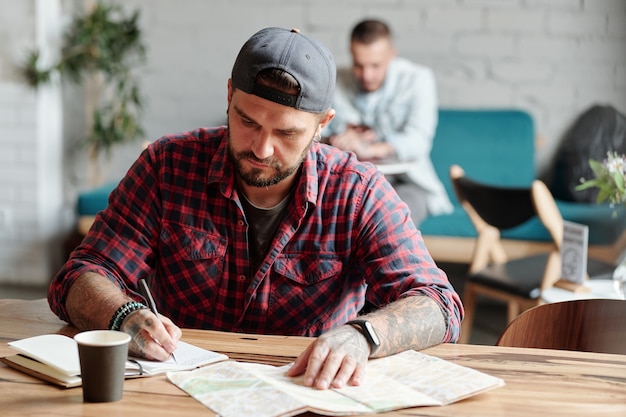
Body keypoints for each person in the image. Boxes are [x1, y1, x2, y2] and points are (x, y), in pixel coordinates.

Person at [48, 27, 463, 391]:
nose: (261, 149)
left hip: (306, 392)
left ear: (322, 125)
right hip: (180, 389)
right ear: (229, 95)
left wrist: (363, 335)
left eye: (286, 132)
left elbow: (439, 304)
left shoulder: (358, 192)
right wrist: (124, 314)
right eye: (247, 121)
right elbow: (79, 276)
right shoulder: (167, 167)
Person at [324, 19, 453, 226]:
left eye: (375, 65)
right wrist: (337, 139)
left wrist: (369, 148)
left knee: (390, 220)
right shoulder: (337, 80)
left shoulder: (417, 79)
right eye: (359, 65)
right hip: (353, 180)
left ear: (391, 55)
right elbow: (319, 133)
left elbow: (418, 141)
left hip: (409, 181)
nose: (367, 75)